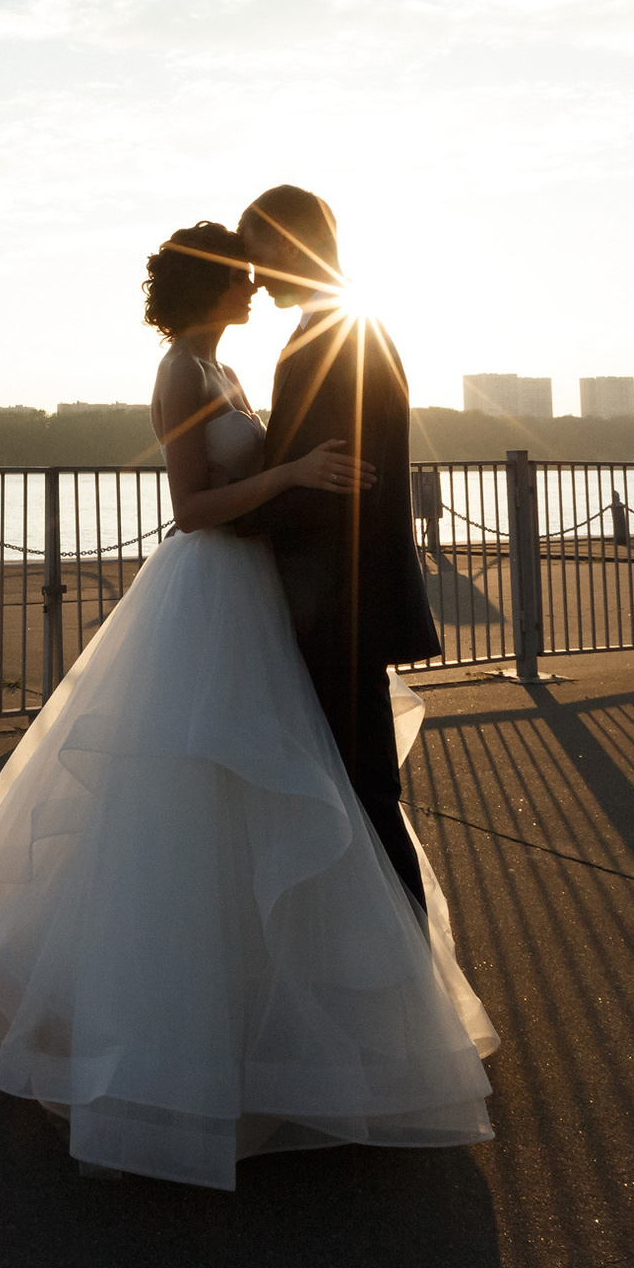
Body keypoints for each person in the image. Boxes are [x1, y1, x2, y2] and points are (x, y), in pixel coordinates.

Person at [0, 221, 497, 1190]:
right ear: (210, 289)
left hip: (249, 596)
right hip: (206, 588)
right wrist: (292, 474)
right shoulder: (179, 370)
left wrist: (293, 482)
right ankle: (177, 1040)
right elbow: (191, 506)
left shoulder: (222, 365)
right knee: (186, 811)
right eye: (240, 279)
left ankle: (264, 1019)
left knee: (257, 801)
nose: (256, 289)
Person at [232, 185, 444, 910]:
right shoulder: (346, 327)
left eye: (258, 258)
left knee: (358, 793)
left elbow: (330, 485)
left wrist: (217, 518)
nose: (254, 277)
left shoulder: (335, 338)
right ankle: (380, 979)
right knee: (354, 790)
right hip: (342, 601)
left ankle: (403, 987)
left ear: (291, 246)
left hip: (337, 605)